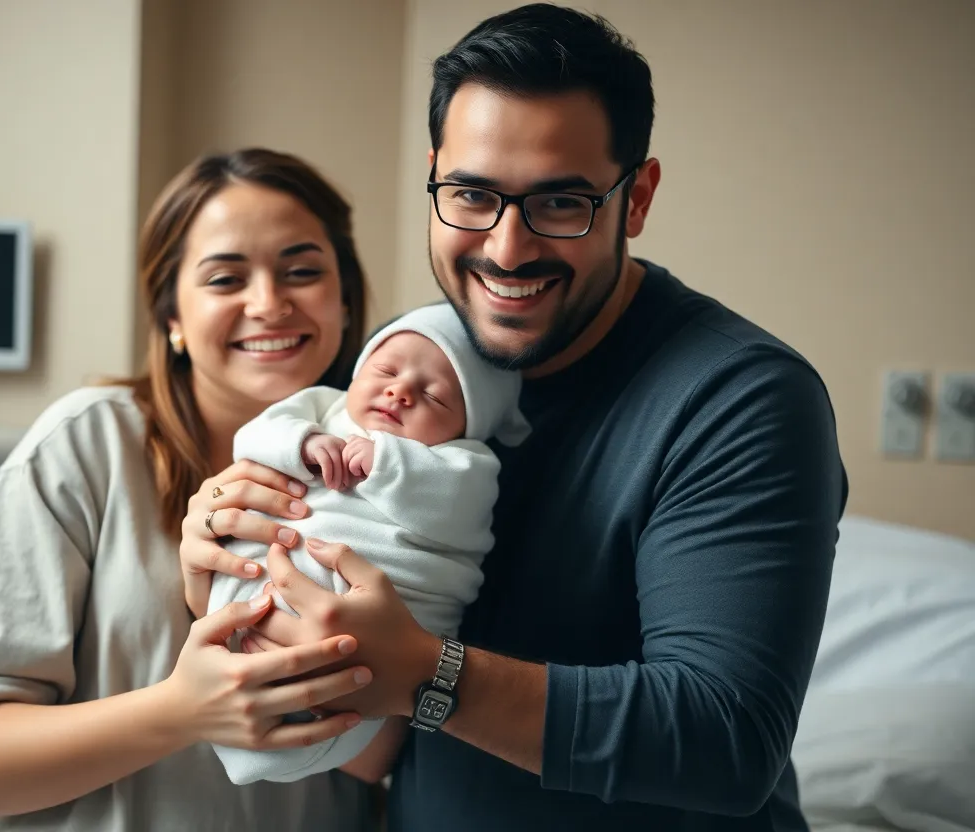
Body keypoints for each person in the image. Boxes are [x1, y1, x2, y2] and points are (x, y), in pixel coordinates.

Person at [177, 5, 848, 831]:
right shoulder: (412, 371)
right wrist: (230, 573)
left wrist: (428, 673)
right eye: (471, 195)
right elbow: (371, 734)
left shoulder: (739, 402)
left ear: (635, 198)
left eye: (561, 203)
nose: (505, 249)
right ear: (434, 177)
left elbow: (726, 740)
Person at [0, 148, 381, 831]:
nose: (269, 303)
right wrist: (182, 710)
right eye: (225, 279)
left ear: (344, 298)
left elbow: (379, 754)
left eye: (302, 272)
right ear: (172, 318)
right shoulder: (89, 445)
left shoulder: (390, 470)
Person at [203, 301, 530, 785]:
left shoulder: (466, 463)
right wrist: (303, 445)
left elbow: (452, 508)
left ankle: (293, 733)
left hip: (372, 631)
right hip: (266, 583)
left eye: (434, 397)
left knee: (329, 689)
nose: (399, 391)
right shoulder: (321, 409)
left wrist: (387, 463)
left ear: (467, 428)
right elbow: (254, 437)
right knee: (237, 646)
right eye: (385, 370)